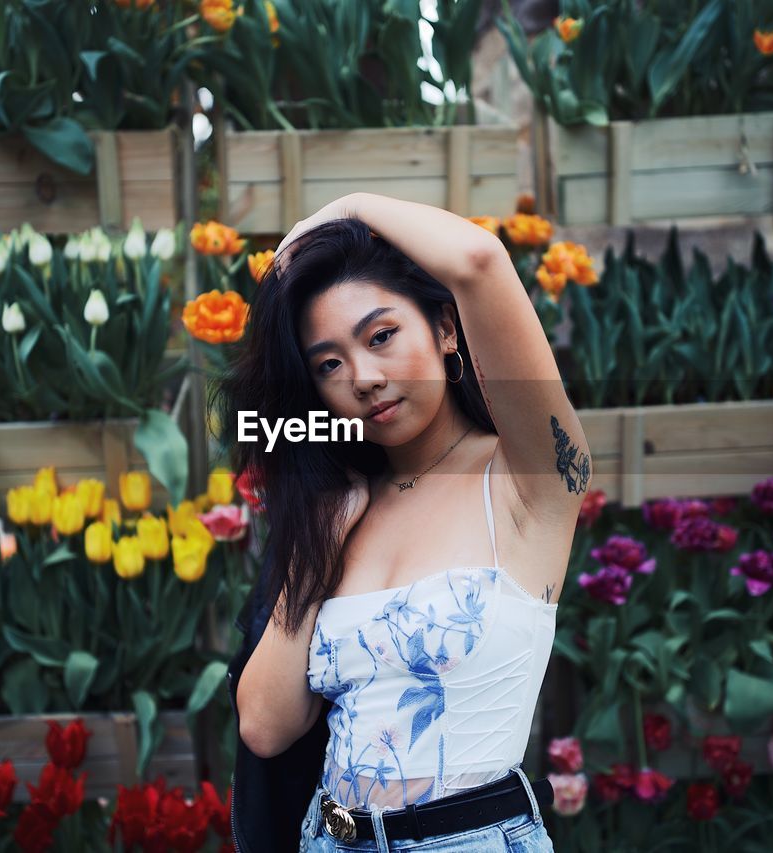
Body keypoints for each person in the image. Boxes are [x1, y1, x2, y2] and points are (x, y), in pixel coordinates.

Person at [217, 192, 591, 852]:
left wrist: (343, 208)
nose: (362, 377)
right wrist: (319, 546)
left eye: (381, 336)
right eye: (329, 364)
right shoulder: (339, 505)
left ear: (446, 330)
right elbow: (265, 725)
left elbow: (478, 259)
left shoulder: (526, 479)